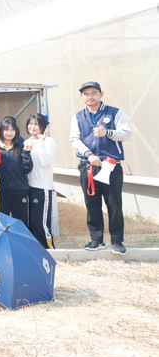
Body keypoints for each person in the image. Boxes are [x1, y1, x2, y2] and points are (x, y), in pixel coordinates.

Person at [69, 82, 132, 254]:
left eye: (94, 93)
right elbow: (74, 139)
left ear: (101, 94)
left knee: (114, 204)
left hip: (110, 165)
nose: (90, 96)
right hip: (88, 165)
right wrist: (89, 155)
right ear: (81, 96)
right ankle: (96, 239)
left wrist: (108, 133)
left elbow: (127, 133)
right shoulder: (78, 116)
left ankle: (117, 241)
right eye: (86, 93)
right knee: (92, 203)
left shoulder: (115, 112)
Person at [25, 113, 57, 248]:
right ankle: (37, 249)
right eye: (31, 123)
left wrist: (42, 142)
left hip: (42, 187)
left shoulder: (49, 141)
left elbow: (44, 162)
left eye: (36, 124)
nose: (33, 127)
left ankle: (49, 248)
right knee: (32, 221)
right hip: (29, 186)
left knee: (41, 222)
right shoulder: (26, 142)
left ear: (43, 126)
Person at [0, 117, 32, 226]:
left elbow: (26, 168)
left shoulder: (21, 147)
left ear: (16, 132)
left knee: (20, 222)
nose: (9, 133)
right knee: (2, 223)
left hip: (19, 191)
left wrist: (26, 153)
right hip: (1, 191)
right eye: (6, 130)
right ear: (1, 131)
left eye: (12, 130)